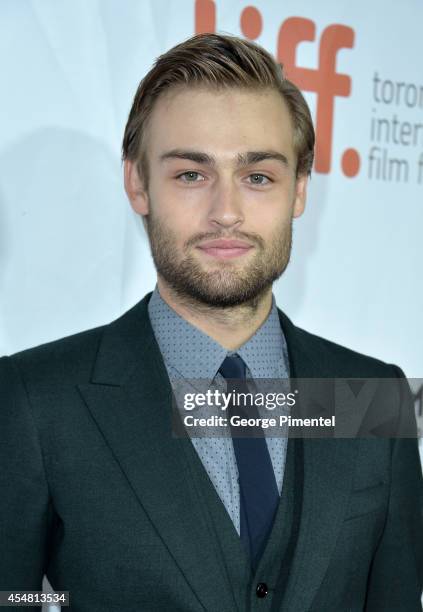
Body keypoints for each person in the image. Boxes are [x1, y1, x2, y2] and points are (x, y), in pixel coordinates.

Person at [0, 33, 422, 612]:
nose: (226, 211)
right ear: (137, 184)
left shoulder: (371, 396)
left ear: (299, 190)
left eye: (258, 177)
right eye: (191, 175)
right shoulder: (34, 400)